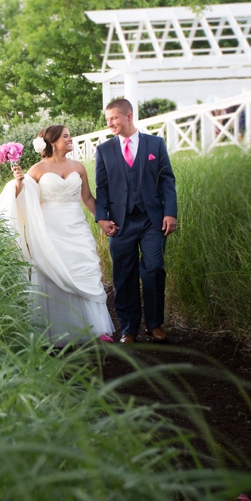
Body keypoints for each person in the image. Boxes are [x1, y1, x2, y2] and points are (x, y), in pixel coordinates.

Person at [0, 125, 114, 346]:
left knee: (86, 269)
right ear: (52, 142)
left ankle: (97, 329)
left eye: (70, 136)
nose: (71, 139)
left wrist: (103, 220)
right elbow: (23, 198)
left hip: (77, 228)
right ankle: (55, 331)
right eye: (66, 137)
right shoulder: (37, 169)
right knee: (54, 273)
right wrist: (19, 181)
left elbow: (88, 198)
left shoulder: (78, 167)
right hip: (50, 230)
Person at [94, 98, 178, 344]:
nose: (110, 123)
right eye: (107, 119)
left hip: (153, 220)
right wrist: (102, 219)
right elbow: (103, 187)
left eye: (114, 118)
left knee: (153, 270)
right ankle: (128, 329)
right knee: (123, 274)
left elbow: (167, 181)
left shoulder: (155, 143)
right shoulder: (104, 150)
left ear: (129, 116)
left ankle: (154, 325)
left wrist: (170, 212)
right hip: (120, 223)